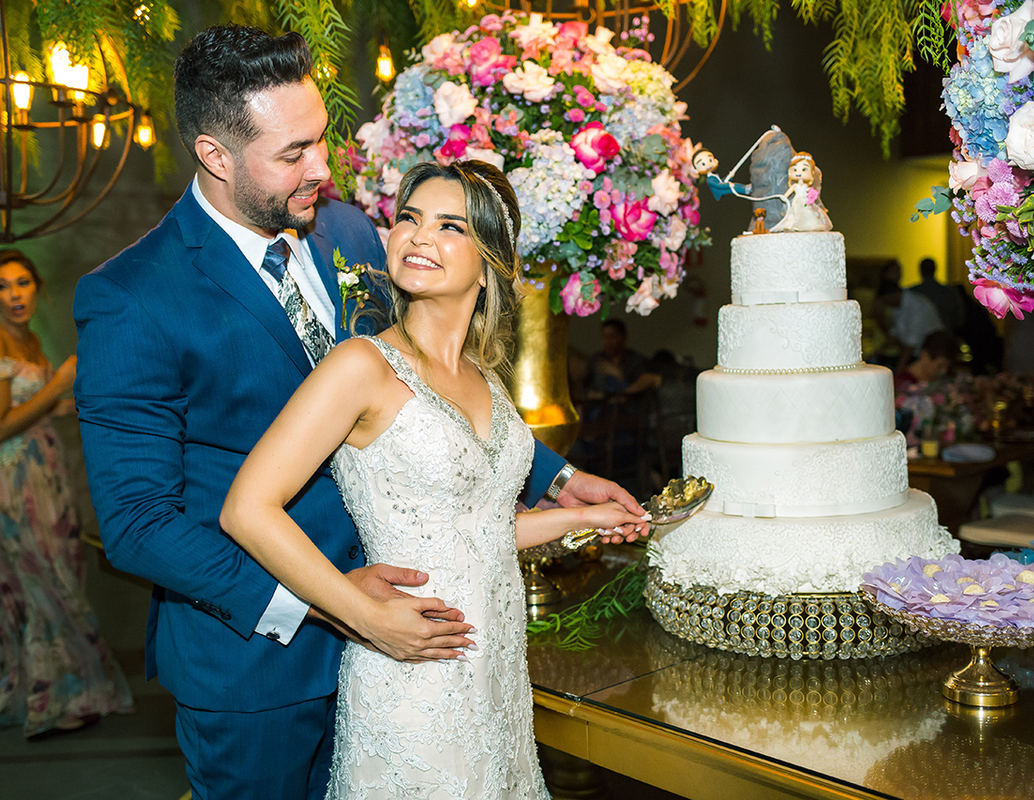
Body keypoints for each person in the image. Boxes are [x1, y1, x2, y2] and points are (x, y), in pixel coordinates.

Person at [73, 26, 643, 800]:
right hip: (257, 664)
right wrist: (334, 606)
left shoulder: (342, 230)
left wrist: (557, 475)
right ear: (215, 156)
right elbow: (137, 522)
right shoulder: (132, 297)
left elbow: (421, 388)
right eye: (293, 153)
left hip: (405, 651)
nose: (324, 169)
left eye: (321, 141)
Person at [221, 160, 646, 798]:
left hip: (496, 675)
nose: (419, 237)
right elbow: (248, 509)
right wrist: (364, 615)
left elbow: (474, 529)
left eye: (450, 226)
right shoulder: (362, 365)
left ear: (491, 263)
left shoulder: (490, 384)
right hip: (410, 676)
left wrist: (583, 518)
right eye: (409, 219)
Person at [0, 249, 133, 738]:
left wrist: (75, 403)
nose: (15, 295)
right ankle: (52, 699)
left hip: (45, 474)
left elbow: (36, 411)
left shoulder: (29, 339)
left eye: (23, 283)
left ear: (36, 287)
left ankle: (62, 690)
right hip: (10, 487)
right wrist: (58, 382)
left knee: (60, 576)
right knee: (38, 584)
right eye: (2, 286)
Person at [876, 279, 946, 373]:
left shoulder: (916, 305)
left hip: (933, 352)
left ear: (894, 295)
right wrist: (879, 350)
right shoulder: (896, 306)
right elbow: (897, 333)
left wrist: (899, 370)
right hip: (917, 352)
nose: (886, 305)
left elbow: (911, 343)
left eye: (886, 301)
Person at [770, 152, 832, 232]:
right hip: (796, 201)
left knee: (808, 213)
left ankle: (809, 225)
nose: (798, 172)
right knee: (794, 213)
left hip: (805, 202)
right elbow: (787, 194)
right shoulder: (795, 186)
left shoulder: (806, 187)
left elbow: (812, 194)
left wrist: (811, 197)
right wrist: (784, 197)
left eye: (804, 169)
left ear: (812, 173)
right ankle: (793, 226)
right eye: (795, 170)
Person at [909, 258, 964, 333]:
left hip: (920, 337)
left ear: (920, 271)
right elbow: (959, 319)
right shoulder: (949, 292)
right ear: (935, 269)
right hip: (945, 335)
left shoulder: (912, 293)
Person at [894, 330, 959, 392]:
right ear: (925, 356)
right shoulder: (901, 385)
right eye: (940, 365)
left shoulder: (948, 380)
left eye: (948, 366)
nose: (944, 371)